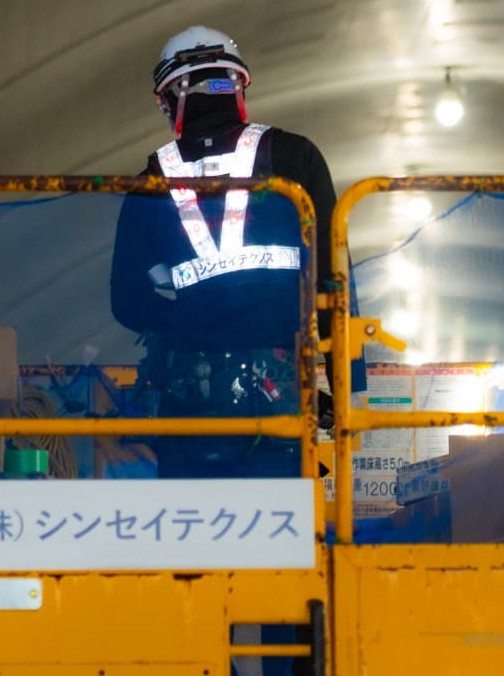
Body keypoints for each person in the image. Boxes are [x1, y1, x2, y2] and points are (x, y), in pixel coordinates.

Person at [109, 26, 337, 480]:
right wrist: (347, 388)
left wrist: (186, 323)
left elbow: (126, 301)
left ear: (169, 100)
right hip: (280, 394)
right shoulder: (296, 156)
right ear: (236, 87)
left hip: (190, 399)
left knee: (196, 518)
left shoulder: (150, 180)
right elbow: (333, 279)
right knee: (278, 518)